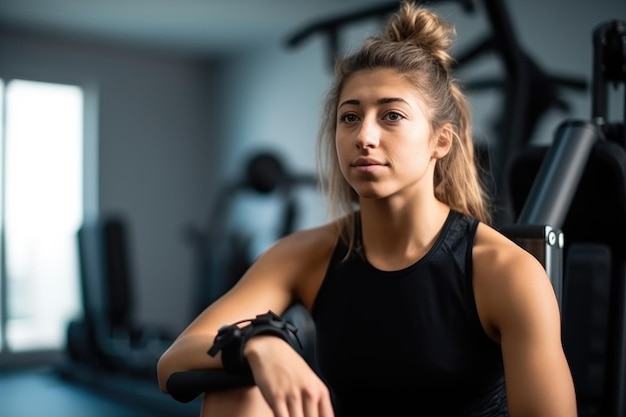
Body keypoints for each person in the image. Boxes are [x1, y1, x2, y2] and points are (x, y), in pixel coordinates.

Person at [157, 2, 577, 416]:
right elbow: (175, 359)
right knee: (238, 391)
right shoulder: (310, 255)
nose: (365, 136)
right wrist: (258, 343)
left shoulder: (503, 270)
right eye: (350, 117)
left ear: (440, 141)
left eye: (391, 115)